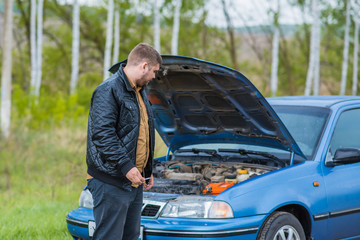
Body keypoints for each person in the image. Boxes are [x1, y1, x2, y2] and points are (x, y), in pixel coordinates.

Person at [86, 43, 162, 240]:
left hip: (133, 182)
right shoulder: (108, 90)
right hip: (111, 181)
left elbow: (141, 132)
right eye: (154, 71)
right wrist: (126, 166)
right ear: (144, 66)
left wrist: (147, 169)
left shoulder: (139, 92)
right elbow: (103, 134)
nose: (154, 77)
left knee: (131, 236)